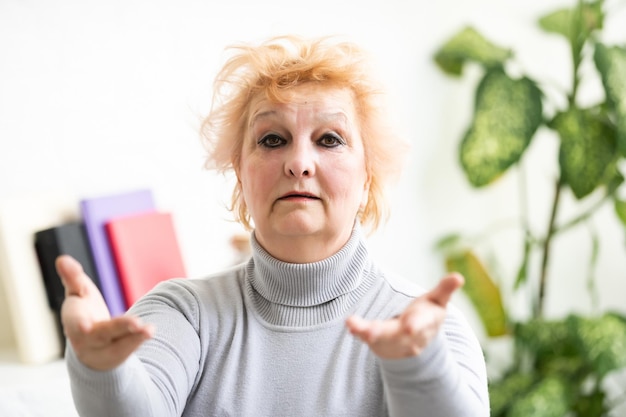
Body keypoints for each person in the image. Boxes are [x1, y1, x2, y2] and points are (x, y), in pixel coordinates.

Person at [55, 34, 490, 416]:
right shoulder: (181, 313)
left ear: (367, 180)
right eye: (272, 140)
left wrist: (419, 367)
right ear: (241, 175)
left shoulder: (429, 329)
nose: (299, 163)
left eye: (330, 140)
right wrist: (101, 369)